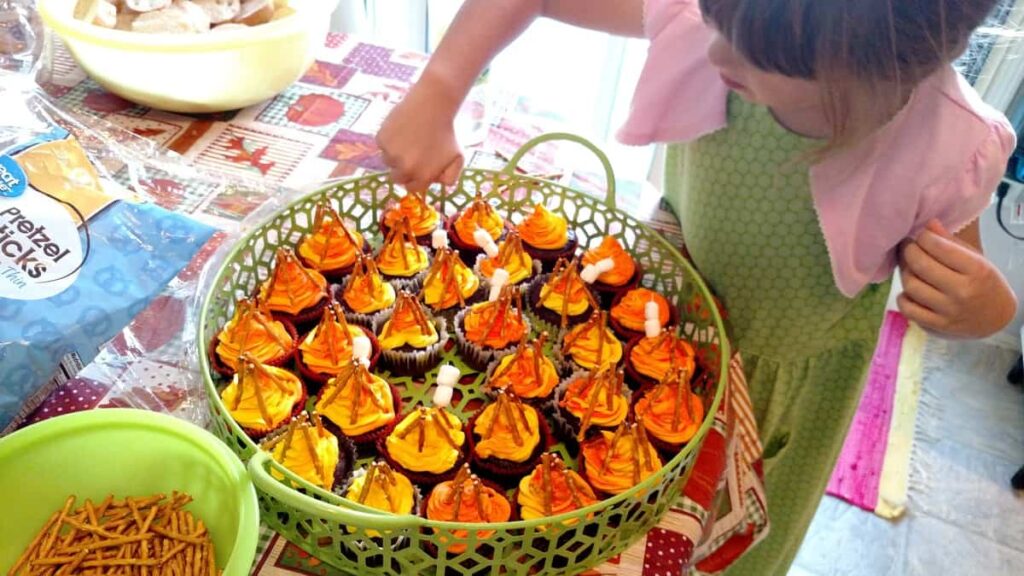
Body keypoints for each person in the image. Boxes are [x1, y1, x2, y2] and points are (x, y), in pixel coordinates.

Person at [376, 1, 1021, 573]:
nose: (713, 50)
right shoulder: (719, 17)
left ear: (869, 73)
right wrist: (440, 86)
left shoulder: (945, 143)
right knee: (622, 509)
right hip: (657, 325)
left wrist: (984, 308)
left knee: (736, 540)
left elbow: (957, 265)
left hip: (785, 392)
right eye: (715, 15)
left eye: (746, 50)